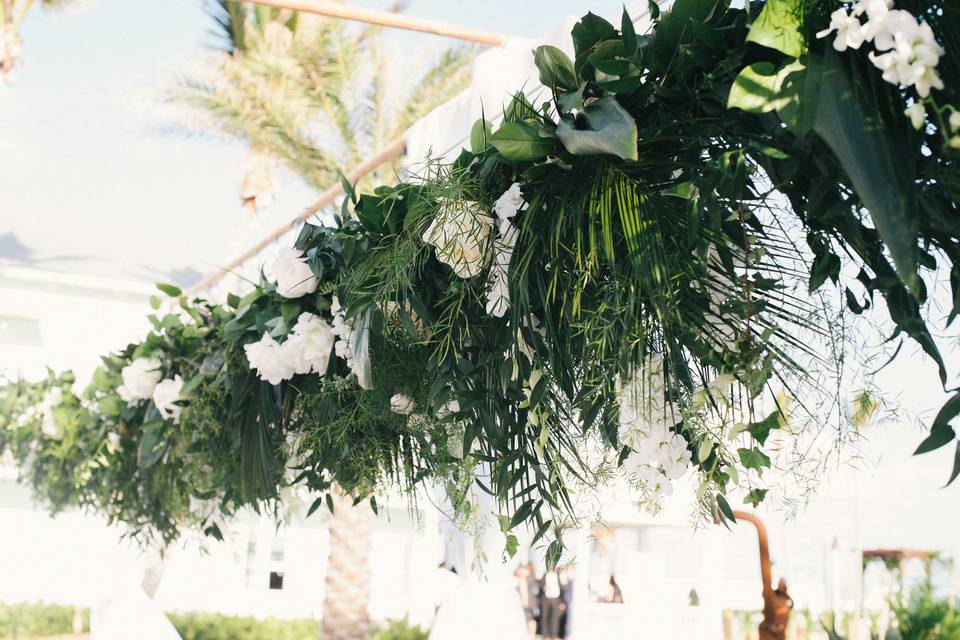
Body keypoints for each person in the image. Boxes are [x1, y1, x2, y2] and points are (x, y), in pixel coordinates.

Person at [514, 563, 538, 638]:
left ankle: (532, 636)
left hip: (529, 602)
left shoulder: (529, 578)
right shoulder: (518, 579)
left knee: (531, 619)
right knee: (525, 619)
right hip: (521, 603)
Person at [540, 568, 563, 640]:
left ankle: (553, 635)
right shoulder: (544, 575)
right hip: (546, 599)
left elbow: (562, 587)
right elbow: (540, 584)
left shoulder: (558, 575)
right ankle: (545, 635)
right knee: (545, 617)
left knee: (554, 618)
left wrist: (561, 601)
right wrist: (544, 587)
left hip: (555, 599)